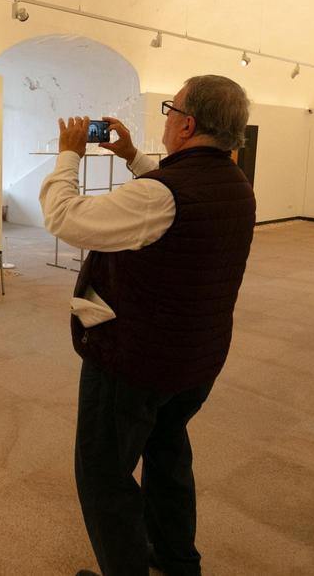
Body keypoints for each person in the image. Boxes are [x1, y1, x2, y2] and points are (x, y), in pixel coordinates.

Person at [39, 75, 256, 576]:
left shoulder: (162, 196)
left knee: (102, 475)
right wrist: (134, 156)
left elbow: (65, 217)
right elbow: (173, 198)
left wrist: (69, 154)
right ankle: (179, 562)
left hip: (136, 360)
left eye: (169, 108)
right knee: (167, 453)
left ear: (187, 124)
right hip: (195, 358)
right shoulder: (233, 184)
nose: (165, 116)